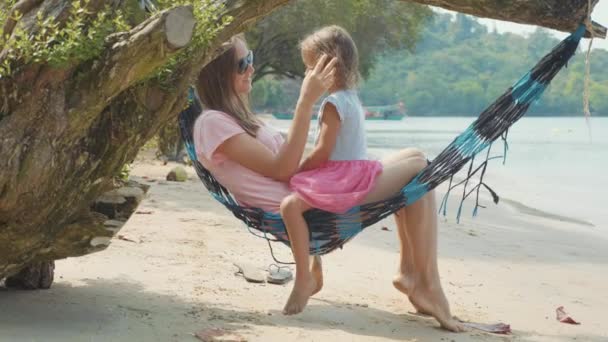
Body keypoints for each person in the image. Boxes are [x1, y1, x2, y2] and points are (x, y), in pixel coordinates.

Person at [193, 33, 465, 332]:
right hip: (316, 206)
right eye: (243, 63)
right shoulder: (212, 123)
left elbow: (295, 159)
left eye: (252, 59)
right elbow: (283, 168)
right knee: (418, 168)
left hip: (316, 191)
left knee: (414, 156)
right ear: (219, 73)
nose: (252, 68)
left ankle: (411, 273)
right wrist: (306, 102)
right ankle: (427, 285)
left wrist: (339, 163)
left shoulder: (243, 119)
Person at [279, 26, 382, 315]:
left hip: (340, 177)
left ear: (328, 65)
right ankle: (315, 265)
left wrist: (297, 169)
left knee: (289, 206)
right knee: (303, 204)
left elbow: (323, 151)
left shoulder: (332, 103)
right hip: (355, 172)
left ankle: (303, 278)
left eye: (311, 67)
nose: (307, 76)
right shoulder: (351, 97)